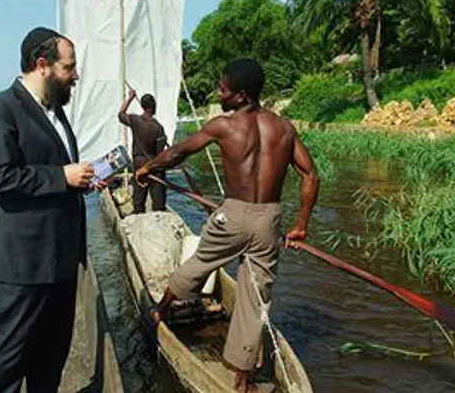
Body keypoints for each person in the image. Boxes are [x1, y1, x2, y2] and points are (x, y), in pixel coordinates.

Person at [136, 58, 320, 393]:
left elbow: (178, 152)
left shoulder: (224, 126)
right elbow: (310, 175)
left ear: (242, 95)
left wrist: (147, 168)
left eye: (224, 89)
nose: (219, 94)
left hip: (233, 214)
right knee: (254, 295)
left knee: (201, 262)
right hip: (269, 218)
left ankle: (160, 311)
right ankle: (242, 378)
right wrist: (301, 225)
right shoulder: (284, 128)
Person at [0, 26, 94, 393]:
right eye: (68, 67)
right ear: (42, 64)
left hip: (60, 259)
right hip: (24, 262)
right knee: (9, 357)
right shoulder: (0, 110)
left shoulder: (56, 110)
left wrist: (81, 178)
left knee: (52, 352)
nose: (75, 76)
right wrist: (62, 176)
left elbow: (55, 170)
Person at [118, 89, 168, 213]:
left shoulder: (135, 120)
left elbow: (120, 114)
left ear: (142, 106)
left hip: (139, 165)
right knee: (158, 204)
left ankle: (138, 215)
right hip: (153, 166)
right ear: (153, 107)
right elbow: (159, 153)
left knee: (139, 200)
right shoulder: (158, 128)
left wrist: (130, 97)